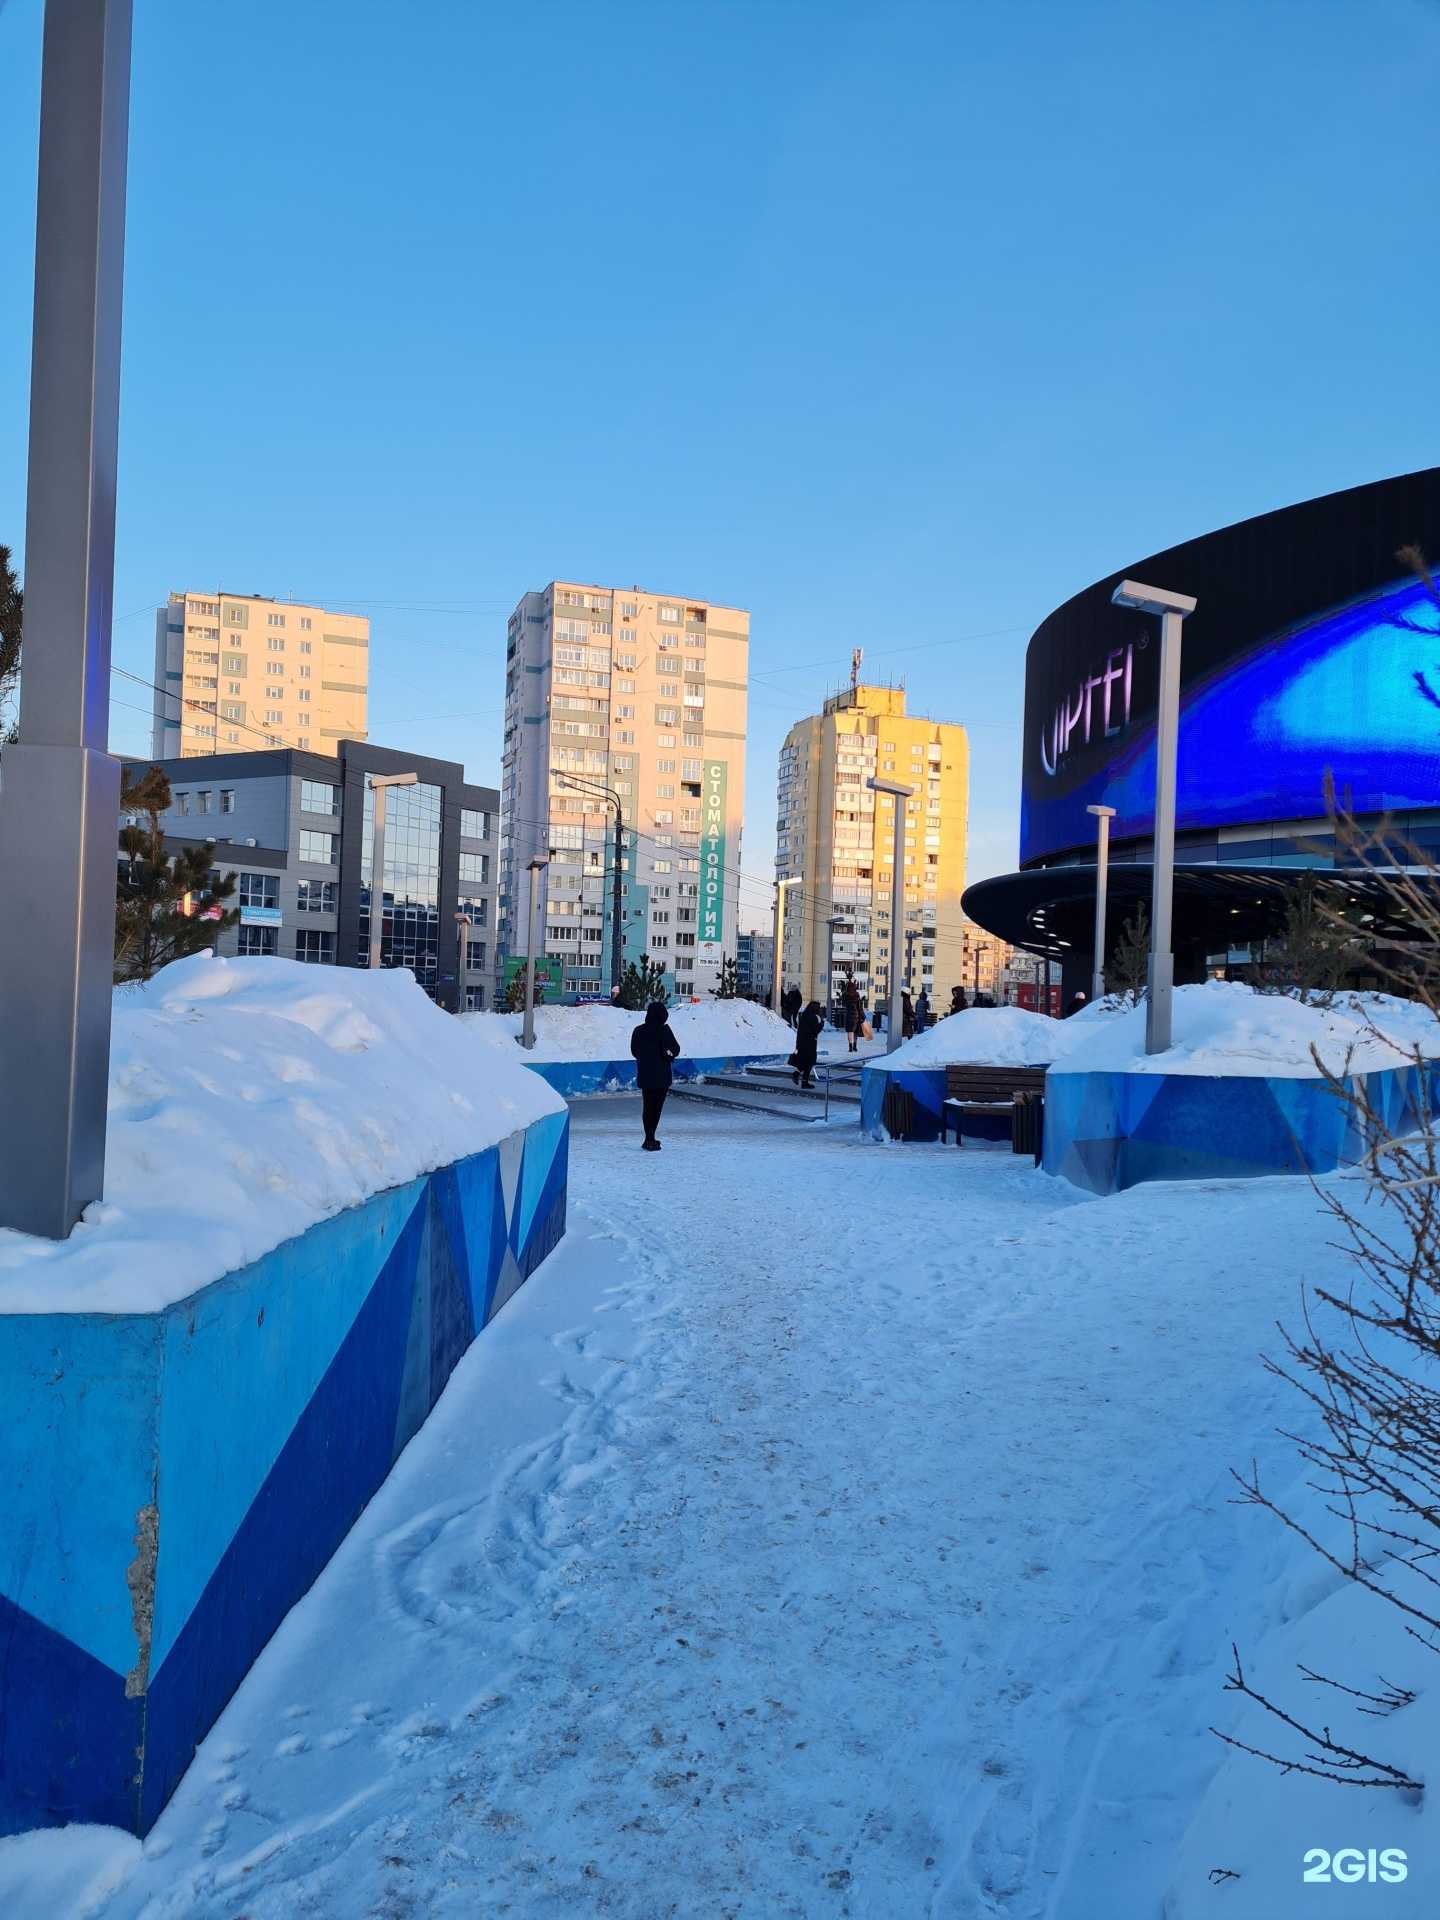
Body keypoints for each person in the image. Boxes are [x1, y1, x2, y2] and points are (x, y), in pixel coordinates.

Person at [630, 1000, 681, 1151]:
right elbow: (676, 1049)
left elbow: (634, 1051)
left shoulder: (638, 1030)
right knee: (656, 1108)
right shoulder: (664, 1030)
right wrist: (667, 1055)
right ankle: (650, 1138)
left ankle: (648, 1137)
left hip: (645, 1075)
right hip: (661, 1077)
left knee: (647, 1107)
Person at [792, 999, 824, 1089]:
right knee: (810, 1062)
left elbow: (800, 1030)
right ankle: (803, 1081)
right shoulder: (813, 1017)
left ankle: (798, 1075)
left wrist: (797, 1044)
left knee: (804, 1062)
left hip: (801, 1043)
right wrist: (822, 1023)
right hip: (810, 1043)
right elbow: (816, 1030)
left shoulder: (803, 1016)